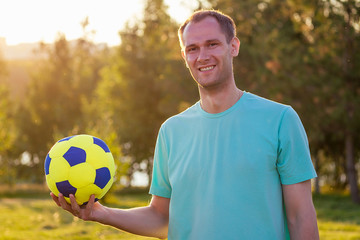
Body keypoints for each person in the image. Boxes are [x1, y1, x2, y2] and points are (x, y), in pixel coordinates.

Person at [51, 9, 320, 240]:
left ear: (233, 46)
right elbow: (161, 218)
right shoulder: (171, 131)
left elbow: (300, 218)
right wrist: (100, 213)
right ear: (184, 56)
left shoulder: (280, 120)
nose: (202, 55)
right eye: (192, 48)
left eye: (212, 44)